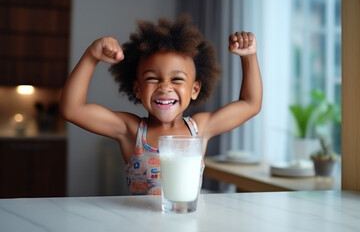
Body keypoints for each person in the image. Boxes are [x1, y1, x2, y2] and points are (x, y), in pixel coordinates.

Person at [60, 15, 262, 195]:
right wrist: (91, 57)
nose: (165, 87)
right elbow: (72, 109)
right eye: (152, 78)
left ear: (195, 89)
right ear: (138, 89)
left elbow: (250, 104)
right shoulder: (131, 130)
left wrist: (249, 56)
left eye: (177, 79)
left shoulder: (199, 130)